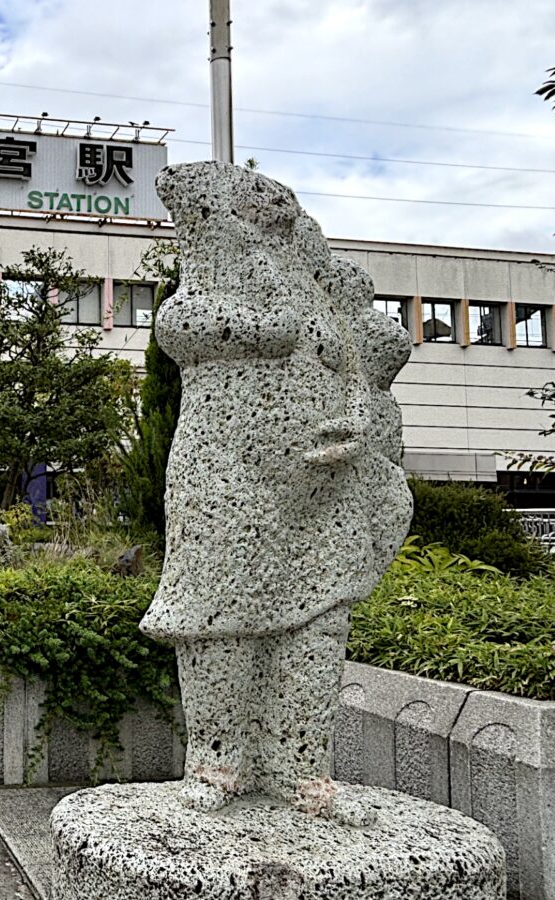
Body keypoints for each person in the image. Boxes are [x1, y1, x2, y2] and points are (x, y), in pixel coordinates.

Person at [142, 161, 412, 826]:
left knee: (319, 625)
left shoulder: (318, 290)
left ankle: (304, 768)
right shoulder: (213, 272)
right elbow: (181, 321)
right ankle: (217, 762)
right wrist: (264, 328)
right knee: (216, 619)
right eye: (254, 199)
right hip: (228, 475)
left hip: (326, 490)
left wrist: (355, 423)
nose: (273, 204)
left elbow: (358, 378)